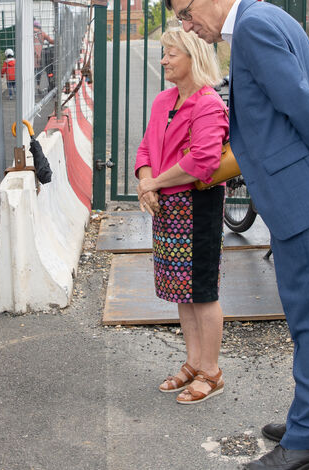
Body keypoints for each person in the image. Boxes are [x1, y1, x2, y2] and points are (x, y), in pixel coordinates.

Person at [167, 0, 309, 467]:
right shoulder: (268, 16)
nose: (188, 26)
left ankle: (306, 439)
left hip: (299, 196)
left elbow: (306, 107)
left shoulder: (254, 28)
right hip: (305, 192)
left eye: (186, 12)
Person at [135, 29, 229, 405]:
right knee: (182, 290)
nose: (164, 60)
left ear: (192, 56)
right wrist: (146, 183)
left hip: (197, 205)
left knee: (202, 291)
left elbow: (203, 160)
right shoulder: (164, 100)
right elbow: (146, 147)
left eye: (171, 54)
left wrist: (154, 183)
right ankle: (193, 362)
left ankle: (212, 371)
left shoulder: (208, 104)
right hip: (166, 206)